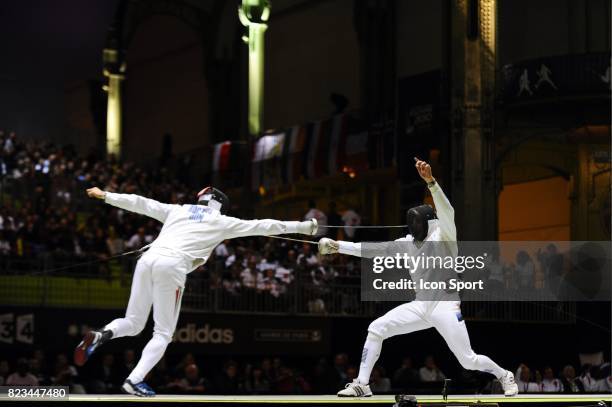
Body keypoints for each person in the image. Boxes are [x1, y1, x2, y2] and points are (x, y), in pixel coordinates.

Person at [74, 186, 317, 397]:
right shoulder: (222, 221)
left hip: (147, 259)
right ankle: (134, 380)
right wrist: (304, 227)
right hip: (172, 265)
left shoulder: (178, 210)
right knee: (163, 333)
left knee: (133, 322)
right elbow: (265, 226)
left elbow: (141, 203)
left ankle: (101, 335)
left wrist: (105, 195)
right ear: (220, 205)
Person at [319, 158, 518, 397]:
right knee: (376, 328)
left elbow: (448, 211)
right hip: (421, 304)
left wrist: (432, 183)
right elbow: (375, 250)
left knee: (467, 360)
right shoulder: (407, 244)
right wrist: (338, 246)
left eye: (417, 222)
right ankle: (362, 383)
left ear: (426, 223)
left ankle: (504, 375)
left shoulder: (445, 238)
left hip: (445, 305)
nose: (413, 226)